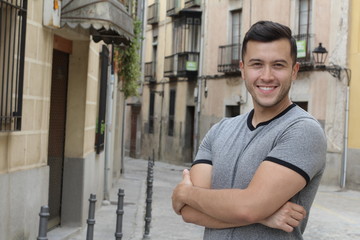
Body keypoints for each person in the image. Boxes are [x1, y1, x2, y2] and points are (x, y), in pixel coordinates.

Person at [172, 20, 327, 239]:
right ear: (243, 70)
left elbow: (248, 208)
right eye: (257, 64)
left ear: (294, 71)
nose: (266, 76)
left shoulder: (302, 130)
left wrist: (187, 192)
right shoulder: (219, 131)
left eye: (278, 65)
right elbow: (188, 211)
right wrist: (263, 216)